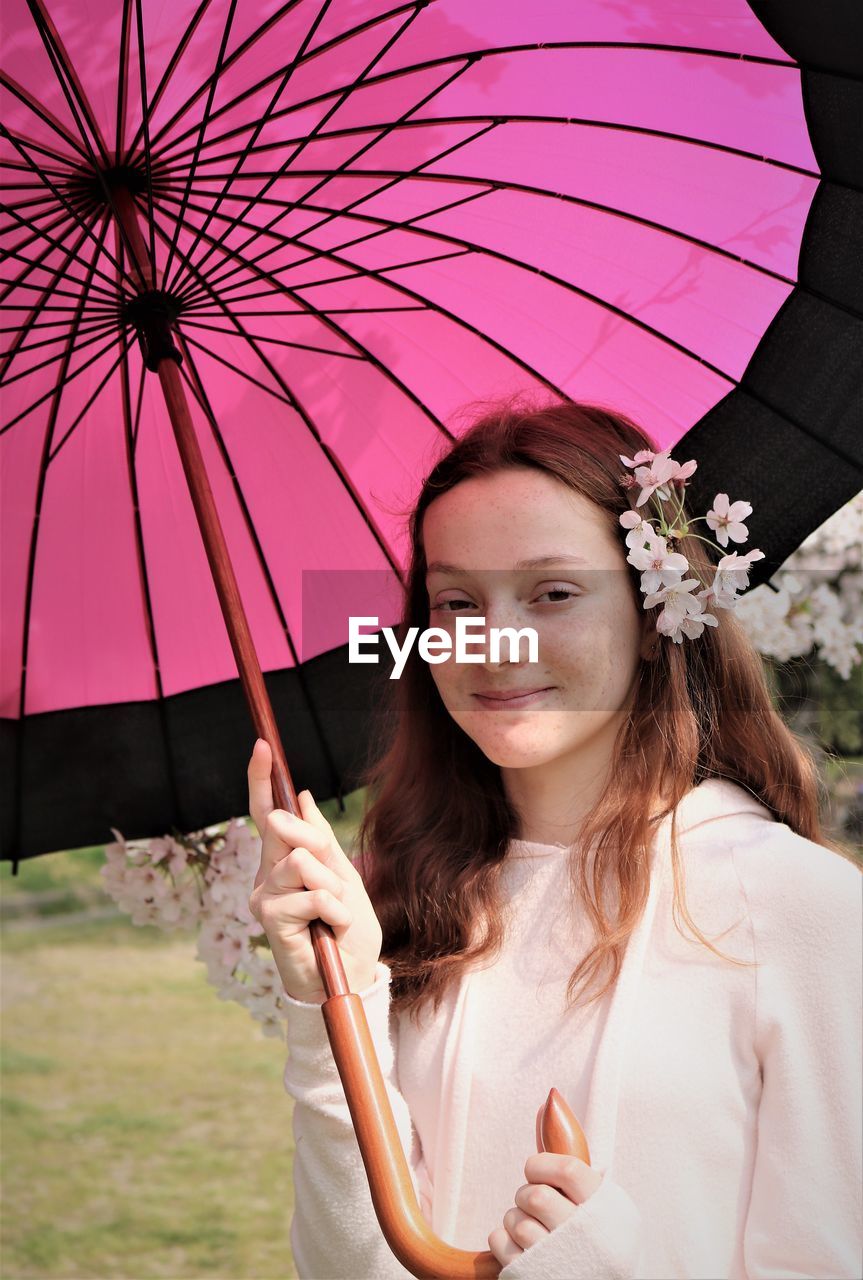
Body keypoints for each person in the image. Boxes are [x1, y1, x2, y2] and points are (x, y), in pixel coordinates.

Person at [246, 400, 862, 1280]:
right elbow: (347, 1267)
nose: (492, 644)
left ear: (656, 615)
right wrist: (328, 1012)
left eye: (553, 593)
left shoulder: (800, 910)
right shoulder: (416, 907)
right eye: (455, 600)